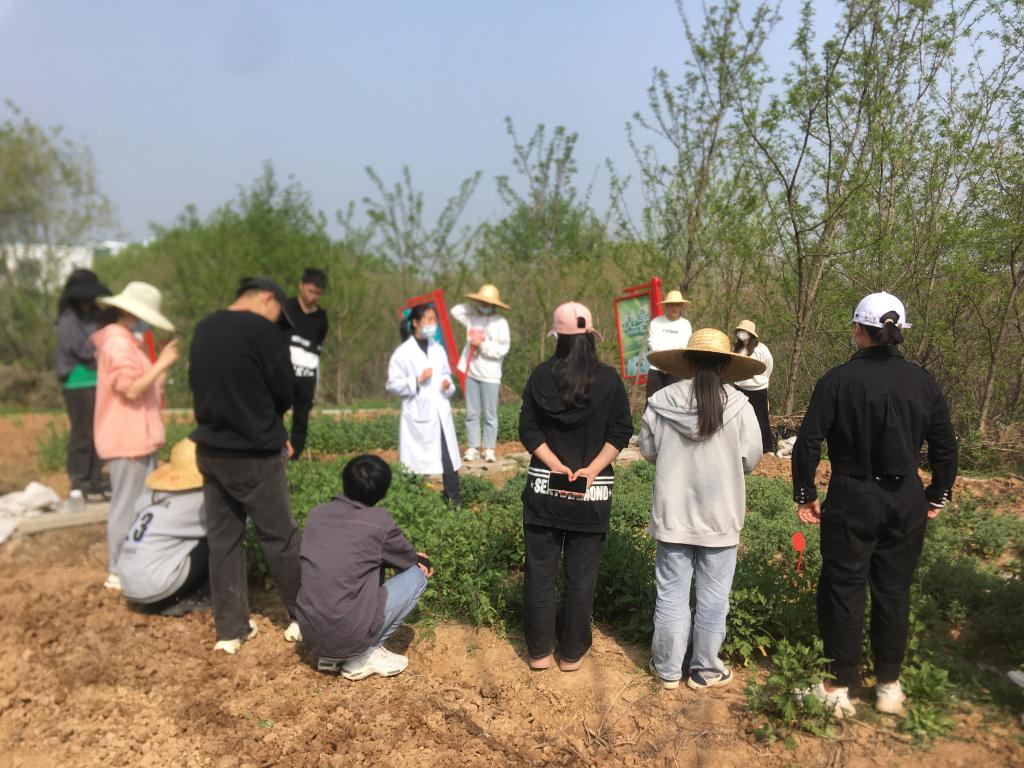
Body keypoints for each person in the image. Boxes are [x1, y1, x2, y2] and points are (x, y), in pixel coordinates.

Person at [792, 292, 958, 719]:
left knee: (843, 588)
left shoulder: (838, 380)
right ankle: (888, 685)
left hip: (853, 495)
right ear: (901, 331)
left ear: (857, 329)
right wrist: (937, 493)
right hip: (906, 499)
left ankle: (837, 686)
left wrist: (805, 492)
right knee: (894, 589)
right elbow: (945, 445)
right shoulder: (923, 382)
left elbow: (808, 440)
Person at [640, 329, 765, 691]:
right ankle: (705, 670)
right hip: (720, 517)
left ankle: (667, 670)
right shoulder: (740, 406)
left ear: (688, 362)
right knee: (714, 598)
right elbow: (750, 459)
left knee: (671, 594)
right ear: (726, 365)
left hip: (673, 515)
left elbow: (648, 450)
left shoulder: (661, 401)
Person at [189, 276, 302, 654]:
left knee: (224, 540)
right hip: (254, 454)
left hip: (211, 450)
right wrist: (274, 425)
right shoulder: (263, 331)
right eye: (277, 313)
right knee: (280, 537)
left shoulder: (204, 328)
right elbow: (284, 391)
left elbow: (197, 384)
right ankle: (303, 616)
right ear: (268, 299)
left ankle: (230, 630)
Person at [519, 302, 633, 672]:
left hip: (544, 492)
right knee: (581, 578)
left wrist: (554, 464)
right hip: (591, 493)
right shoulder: (609, 380)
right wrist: (591, 469)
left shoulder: (540, 376)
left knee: (540, 574)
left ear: (558, 337)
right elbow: (621, 430)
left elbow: (527, 429)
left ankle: (539, 651)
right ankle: (570, 653)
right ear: (590, 336)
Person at [296, 454, 434, 681]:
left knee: (366, 565)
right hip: (347, 634)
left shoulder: (317, 514)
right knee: (416, 576)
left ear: (344, 482)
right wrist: (421, 559)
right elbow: (408, 560)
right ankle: (364, 656)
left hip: (311, 632)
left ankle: (331, 657)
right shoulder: (379, 523)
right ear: (384, 491)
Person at [92, 281, 178, 592]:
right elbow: (130, 389)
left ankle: (129, 563)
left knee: (137, 505)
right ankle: (117, 568)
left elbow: (150, 385)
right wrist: (162, 363)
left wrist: (162, 366)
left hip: (138, 437)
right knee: (126, 507)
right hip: (126, 438)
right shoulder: (118, 344)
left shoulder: (129, 341)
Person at [116, 438, 211, 617]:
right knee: (217, 540)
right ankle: (198, 596)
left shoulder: (154, 497)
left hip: (130, 584)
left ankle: (169, 596)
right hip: (155, 588)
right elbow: (230, 524)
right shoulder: (195, 500)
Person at [386, 303, 462, 506]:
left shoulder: (438, 349)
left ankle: (454, 503)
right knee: (415, 462)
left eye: (434, 320)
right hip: (418, 414)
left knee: (449, 458)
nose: (432, 324)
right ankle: (414, 504)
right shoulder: (403, 353)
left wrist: (447, 384)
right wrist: (417, 380)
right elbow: (393, 384)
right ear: (415, 323)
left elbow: (446, 375)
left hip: (440, 411)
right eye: (428, 320)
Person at [55, 269, 111, 499]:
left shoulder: (98, 315)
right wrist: (103, 348)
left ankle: (96, 478)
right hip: (77, 383)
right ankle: (79, 481)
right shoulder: (68, 319)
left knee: (99, 432)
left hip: (100, 380)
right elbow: (81, 350)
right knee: (82, 434)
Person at [451, 284, 512, 464]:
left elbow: (503, 349)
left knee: (490, 414)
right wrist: (473, 306)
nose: (483, 305)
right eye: (481, 302)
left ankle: (489, 448)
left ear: (493, 305)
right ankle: (473, 447)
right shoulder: (473, 318)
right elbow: (455, 311)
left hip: (490, 375)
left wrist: (482, 346)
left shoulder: (500, 322)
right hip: (471, 371)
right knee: (472, 412)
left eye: (486, 303)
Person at [279, 268, 329, 461]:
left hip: (307, 375)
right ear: (301, 286)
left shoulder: (321, 318)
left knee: (301, 418)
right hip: (283, 371)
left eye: (317, 293)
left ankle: (295, 457)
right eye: (310, 291)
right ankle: (275, 451)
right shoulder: (286, 308)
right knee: (276, 412)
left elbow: (318, 343)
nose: (312, 296)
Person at [731, 320, 775, 455]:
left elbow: (768, 367)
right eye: (740, 331)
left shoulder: (762, 349)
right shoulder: (736, 349)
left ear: (751, 334)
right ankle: (741, 446)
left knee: (761, 418)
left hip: (758, 389)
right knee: (740, 418)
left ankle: (767, 448)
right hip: (740, 387)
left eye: (744, 331)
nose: (742, 333)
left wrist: (760, 381)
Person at [646, 290, 693, 398]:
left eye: (677, 305)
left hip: (677, 369)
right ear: (666, 306)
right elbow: (653, 344)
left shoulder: (685, 325)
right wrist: (661, 361)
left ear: (681, 306)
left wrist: (671, 363)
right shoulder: (655, 322)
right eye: (671, 305)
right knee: (652, 401)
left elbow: (684, 348)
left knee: (676, 402)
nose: (674, 308)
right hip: (657, 368)